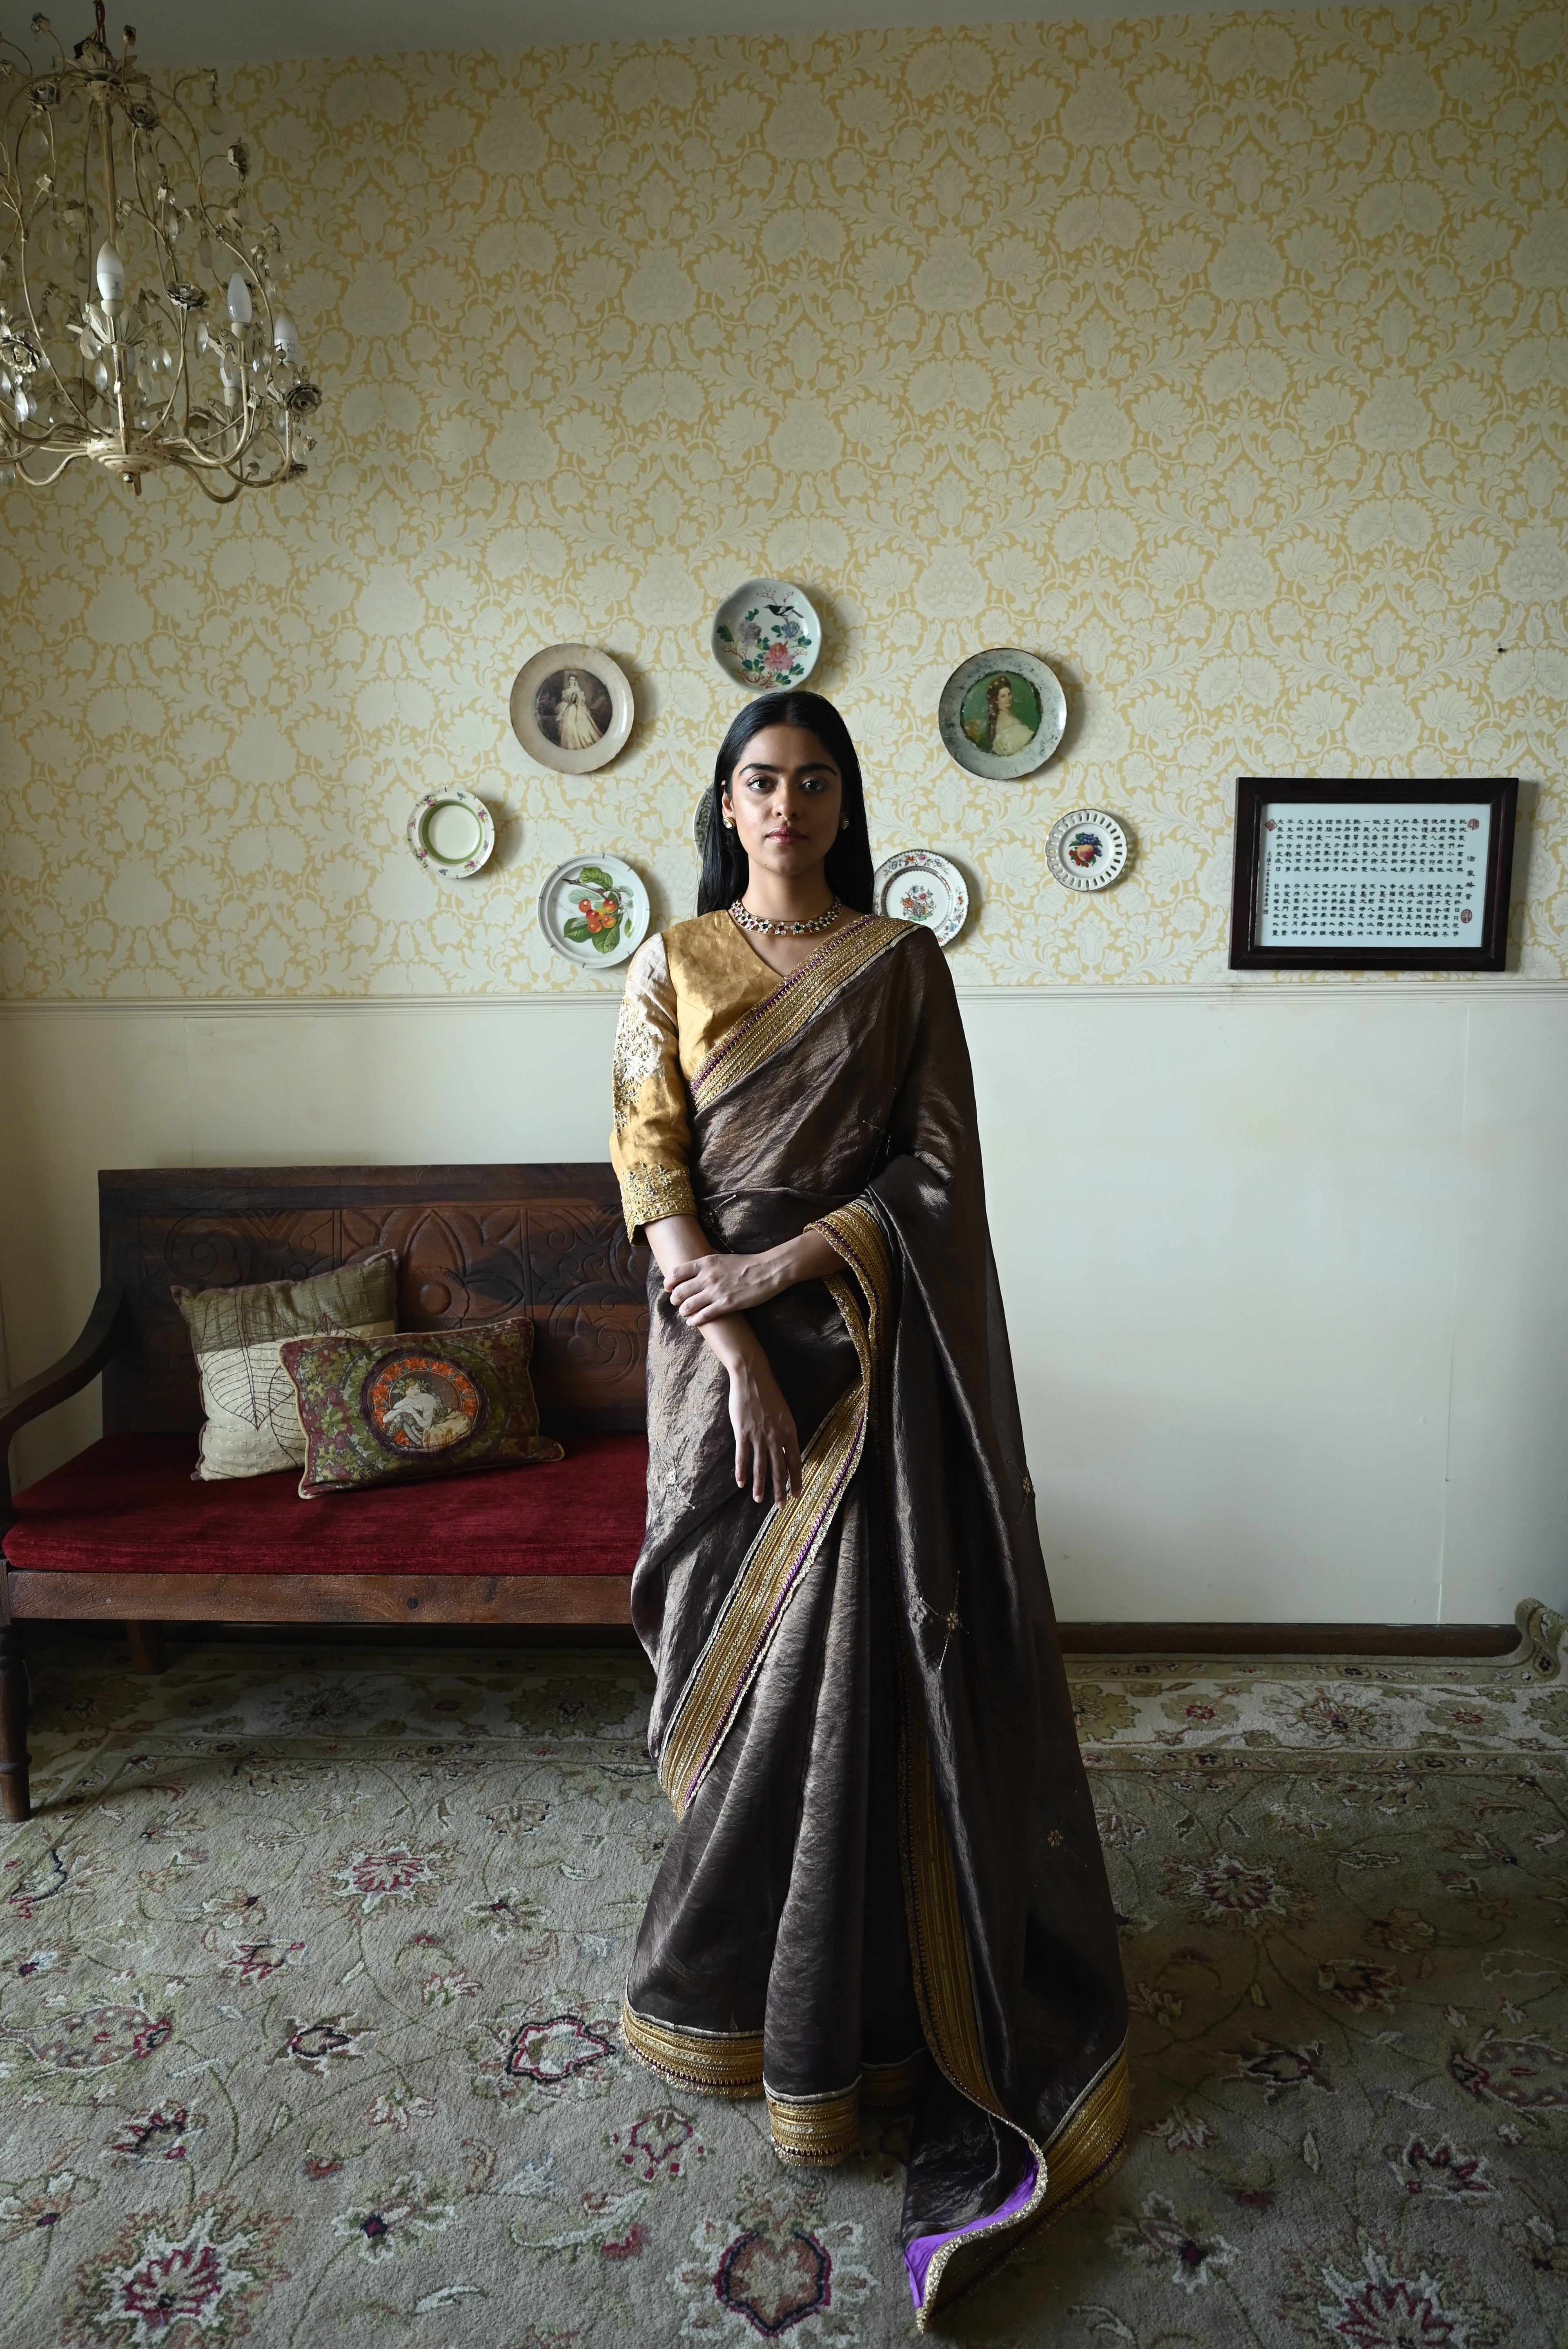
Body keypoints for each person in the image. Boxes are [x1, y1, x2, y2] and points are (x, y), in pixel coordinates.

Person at [608, 689, 1128, 2327]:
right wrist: (743, 1350)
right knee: (741, 1673)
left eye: (813, 779)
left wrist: (798, 1267)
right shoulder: (672, 963)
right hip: (719, 1372)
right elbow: (650, 1168)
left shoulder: (903, 964)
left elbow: (937, 1171)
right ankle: (735, 1987)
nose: (785, 802)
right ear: (725, 798)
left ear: (846, 801)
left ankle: (880, 2014)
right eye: (759, 779)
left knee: (878, 1666)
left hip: (877, 1352)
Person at [982, 674, 1034, 756]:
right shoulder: (1007, 720)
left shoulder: (1003, 715)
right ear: (996, 700)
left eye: (1009, 694)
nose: (1009, 698)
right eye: (1003, 696)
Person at [553, 670, 603, 753]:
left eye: (573, 680)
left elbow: (581, 702)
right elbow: (565, 700)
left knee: (579, 724)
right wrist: (565, 704)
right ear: (569, 681)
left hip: (576, 708)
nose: (572, 681)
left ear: (575, 681)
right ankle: (569, 745)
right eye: (571, 680)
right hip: (569, 708)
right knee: (568, 724)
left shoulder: (578, 691)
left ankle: (578, 744)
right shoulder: (567, 691)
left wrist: (577, 701)